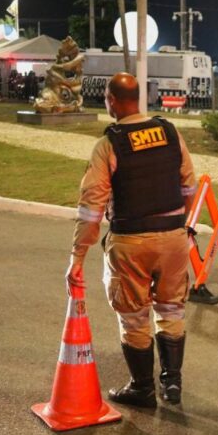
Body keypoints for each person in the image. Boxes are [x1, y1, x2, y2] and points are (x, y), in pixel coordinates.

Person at [67, 72, 196, 408]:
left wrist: (76, 258)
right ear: (139, 97)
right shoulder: (169, 132)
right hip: (174, 238)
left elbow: (91, 208)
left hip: (131, 242)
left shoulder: (109, 144)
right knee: (171, 309)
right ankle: (172, 383)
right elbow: (189, 187)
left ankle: (143, 388)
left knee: (135, 316)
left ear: (111, 99)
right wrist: (178, 225)